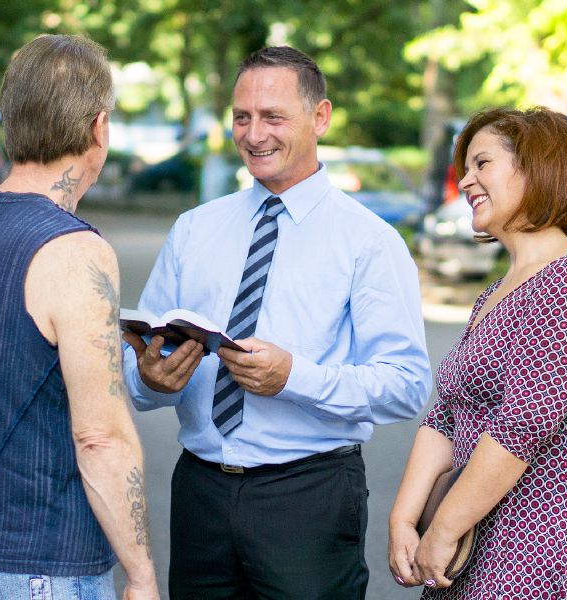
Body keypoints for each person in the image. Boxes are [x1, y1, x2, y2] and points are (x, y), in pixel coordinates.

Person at [121, 45, 432, 600]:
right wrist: (147, 378)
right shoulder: (194, 229)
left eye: (273, 117)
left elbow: (406, 387)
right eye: (242, 117)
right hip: (200, 493)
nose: (254, 134)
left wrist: (295, 378)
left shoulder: (369, 243)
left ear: (321, 117)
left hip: (309, 497)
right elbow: (137, 362)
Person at [0, 34, 159, 600]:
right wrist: (142, 575)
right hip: (44, 560)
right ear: (99, 128)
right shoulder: (76, 252)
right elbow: (100, 436)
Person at [387, 106, 567, 599]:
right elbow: (445, 417)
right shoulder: (495, 291)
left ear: (537, 166)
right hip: (472, 543)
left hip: (540, 547)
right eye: (465, 167)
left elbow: (523, 425)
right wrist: (405, 520)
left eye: (481, 163)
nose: (466, 181)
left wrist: (443, 529)